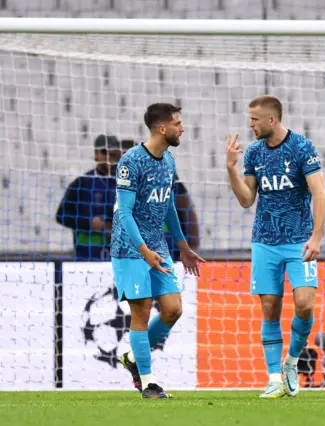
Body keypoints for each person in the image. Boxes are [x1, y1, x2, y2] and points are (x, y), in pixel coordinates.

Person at [225, 95, 325, 398]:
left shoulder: (302, 147)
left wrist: (317, 235)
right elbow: (246, 200)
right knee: (270, 309)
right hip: (265, 241)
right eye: (249, 119)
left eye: (254, 119)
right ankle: (273, 378)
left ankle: (292, 362)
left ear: (272, 120)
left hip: (300, 240)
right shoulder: (254, 153)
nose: (250, 125)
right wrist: (231, 168)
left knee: (306, 304)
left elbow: (319, 193)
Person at [112, 103, 203, 399]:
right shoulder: (131, 161)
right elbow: (125, 213)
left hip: (158, 246)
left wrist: (183, 246)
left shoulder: (169, 161)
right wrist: (143, 250)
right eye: (178, 123)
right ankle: (148, 382)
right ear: (162, 128)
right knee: (140, 311)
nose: (182, 127)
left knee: (173, 309)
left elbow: (168, 206)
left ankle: (133, 358)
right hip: (129, 247)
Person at [55, 134, 123, 261]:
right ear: (96, 154)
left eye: (113, 153)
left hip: (120, 258)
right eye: (104, 152)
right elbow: (61, 216)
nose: (109, 157)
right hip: (87, 258)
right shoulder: (83, 183)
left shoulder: (127, 183)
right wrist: (89, 224)